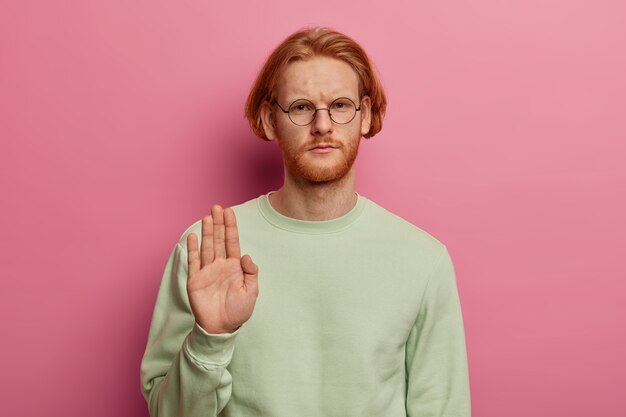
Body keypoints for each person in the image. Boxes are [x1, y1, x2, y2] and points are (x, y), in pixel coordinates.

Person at [140, 27, 471, 417]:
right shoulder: (207, 251)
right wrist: (210, 338)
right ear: (268, 120)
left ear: (365, 116)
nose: (323, 125)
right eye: (300, 107)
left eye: (341, 105)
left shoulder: (423, 260)